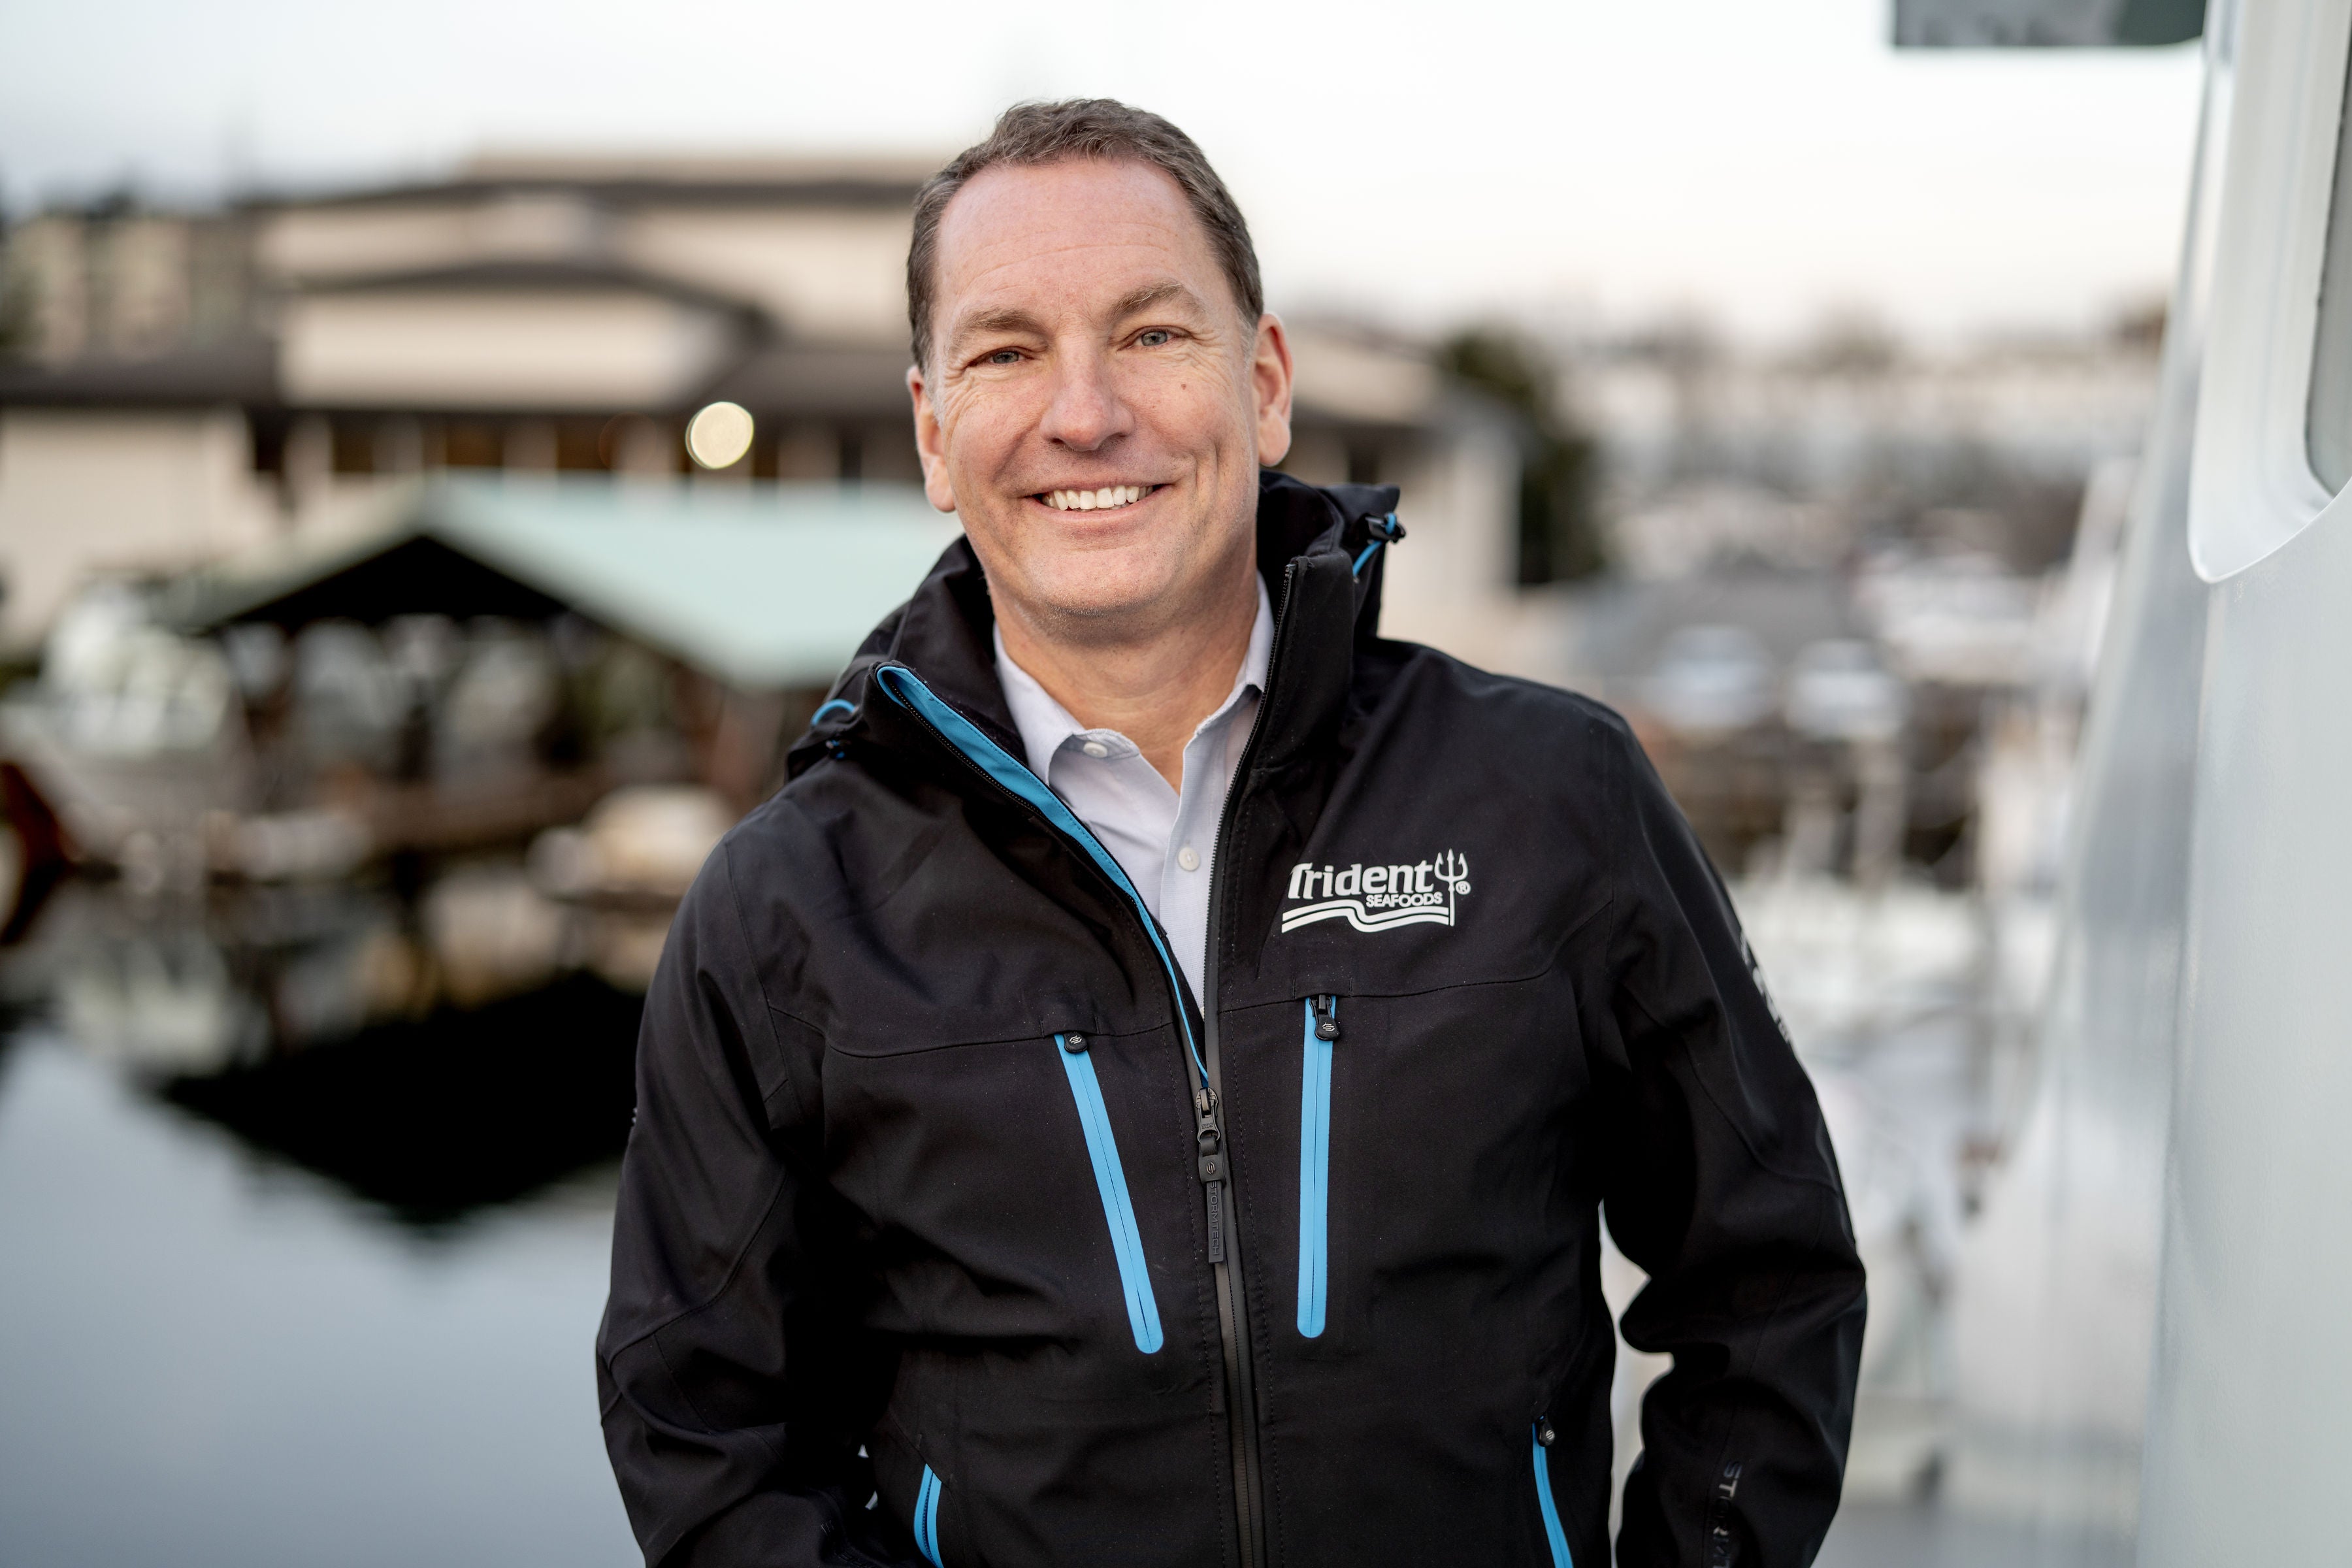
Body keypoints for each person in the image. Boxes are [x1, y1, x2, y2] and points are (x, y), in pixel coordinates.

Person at [597, 99, 1865, 1568]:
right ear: (937, 434)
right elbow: (703, 1436)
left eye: (1150, 334)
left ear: (1263, 387)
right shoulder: (785, 913)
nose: (1085, 413)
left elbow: (1766, 1279)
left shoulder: (1548, 799)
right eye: (1008, 351)